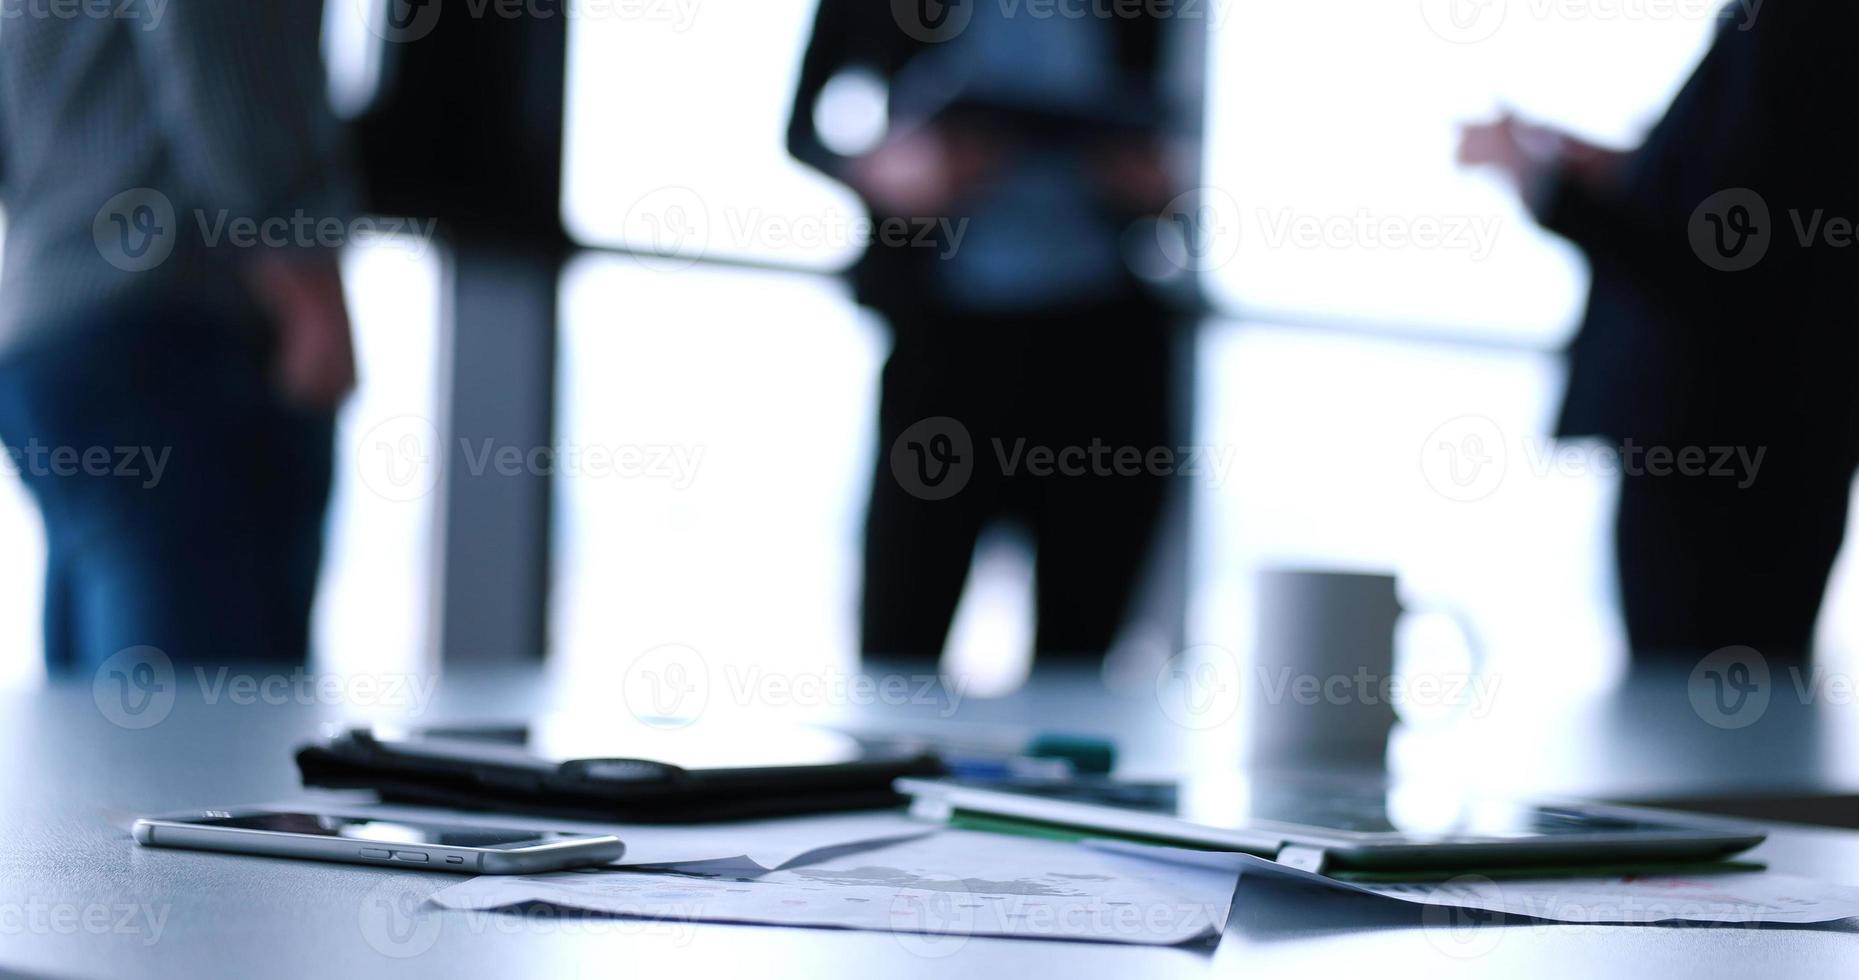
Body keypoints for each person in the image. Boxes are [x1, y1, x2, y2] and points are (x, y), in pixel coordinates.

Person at [789, 0, 1190, 665]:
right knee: (901, 635)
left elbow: (1160, 142)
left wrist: (1150, 181)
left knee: (1080, 648)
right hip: (947, 346)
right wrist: (891, 171)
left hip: (1101, 350)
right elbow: (804, 129)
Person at [1461, 1, 1859, 662]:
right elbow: (1746, 207)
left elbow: (1719, 266)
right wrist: (1633, 168)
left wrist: (1539, 183)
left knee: (1692, 715)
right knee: (1719, 716)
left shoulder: (1797, 25)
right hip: (1761, 451)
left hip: (1719, 458)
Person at [0, 0, 358, 672]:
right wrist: (307, 286)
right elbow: (222, 38)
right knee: (204, 750)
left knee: (105, 734)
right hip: (167, 326)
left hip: (54, 331)